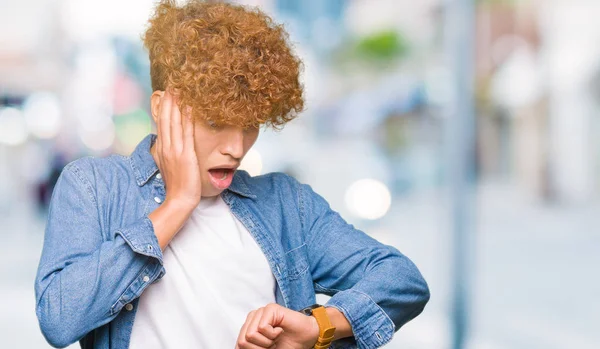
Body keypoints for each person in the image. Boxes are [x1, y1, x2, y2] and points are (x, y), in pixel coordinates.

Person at [34, 1, 430, 348]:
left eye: (249, 124)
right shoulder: (94, 186)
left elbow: (403, 280)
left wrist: (320, 325)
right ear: (162, 108)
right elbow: (59, 319)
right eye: (216, 122)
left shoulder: (285, 205)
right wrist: (177, 205)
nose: (236, 148)